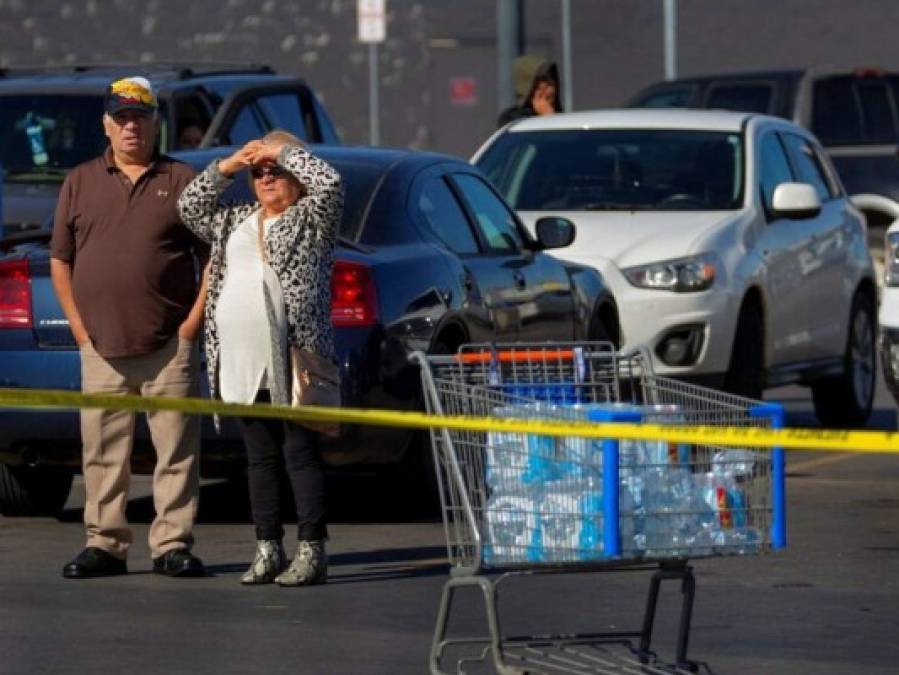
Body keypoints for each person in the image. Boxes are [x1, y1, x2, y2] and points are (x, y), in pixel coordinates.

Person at [51, 76, 209, 579]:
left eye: (140, 117)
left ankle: (172, 546)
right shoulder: (79, 180)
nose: (131, 127)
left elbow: (214, 256)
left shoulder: (182, 178)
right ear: (106, 125)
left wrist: (189, 327)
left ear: (155, 124)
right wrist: (79, 331)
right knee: (101, 455)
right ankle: (105, 544)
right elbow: (61, 261)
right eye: (121, 118)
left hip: (169, 344)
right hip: (99, 345)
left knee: (177, 455)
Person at [177, 129, 343, 587]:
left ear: (295, 174)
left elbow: (329, 182)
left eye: (276, 171)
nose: (266, 178)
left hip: (292, 359)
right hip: (239, 361)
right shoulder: (236, 220)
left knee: (299, 455)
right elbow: (189, 208)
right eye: (259, 173)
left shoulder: (314, 215)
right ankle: (268, 546)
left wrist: (284, 151)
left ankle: (312, 549)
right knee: (259, 459)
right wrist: (228, 165)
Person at [496, 54, 563, 127]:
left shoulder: (565, 118)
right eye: (538, 88)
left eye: (549, 84)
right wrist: (549, 117)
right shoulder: (513, 120)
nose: (547, 93)